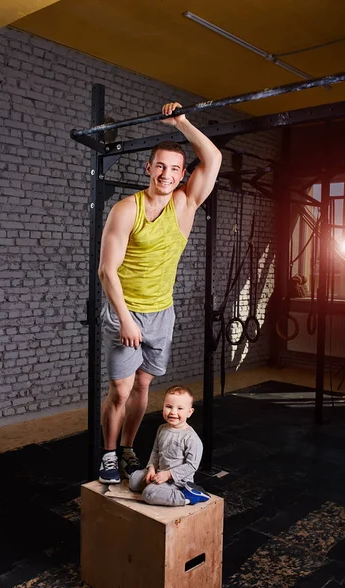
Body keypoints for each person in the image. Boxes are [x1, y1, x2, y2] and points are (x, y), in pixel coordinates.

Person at [98, 101, 222, 484]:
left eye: (175, 169)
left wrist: (181, 122)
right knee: (119, 391)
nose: (167, 175)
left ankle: (129, 448)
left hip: (161, 313)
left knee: (143, 385)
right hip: (126, 311)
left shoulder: (186, 204)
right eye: (160, 167)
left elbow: (213, 157)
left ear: (183, 174)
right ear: (148, 169)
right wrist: (125, 319)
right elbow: (107, 270)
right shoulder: (125, 209)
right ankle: (108, 454)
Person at [129, 386, 210, 506]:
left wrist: (168, 474)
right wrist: (151, 468)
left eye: (180, 408)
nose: (173, 412)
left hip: (178, 481)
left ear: (189, 412)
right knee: (134, 480)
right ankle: (160, 489)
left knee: (149, 494)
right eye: (169, 407)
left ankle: (187, 497)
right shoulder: (162, 429)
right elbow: (156, 451)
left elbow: (192, 465)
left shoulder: (191, 438)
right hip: (159, 472)